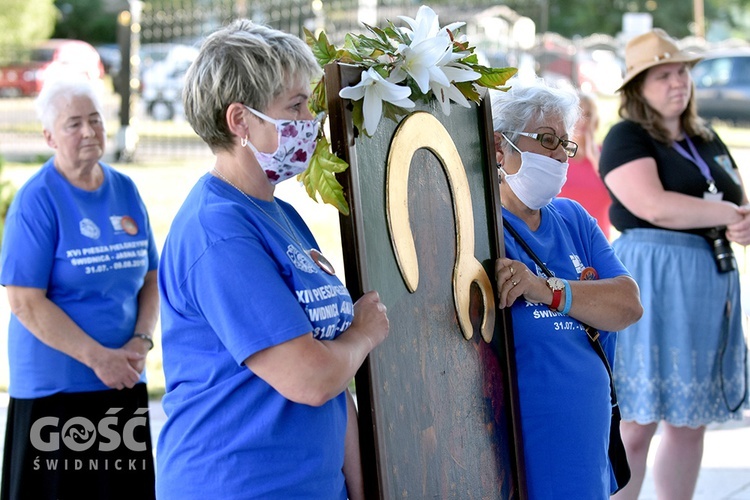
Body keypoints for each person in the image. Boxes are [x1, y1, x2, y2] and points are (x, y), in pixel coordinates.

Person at [156, 19, 390, 499]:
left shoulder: (280, 214)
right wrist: (364, 333)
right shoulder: (218, 230)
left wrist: (362, 485)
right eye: (296, 106)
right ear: (240, 121)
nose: (311, 121)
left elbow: (334, 372)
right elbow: (311, 377)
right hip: (241, 484)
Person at [599, 28, 750, 500]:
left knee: (690, 419)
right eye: (663, 75)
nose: (677, 82)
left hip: (707, 279)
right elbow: (653, 205)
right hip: (653, 277)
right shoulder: (626, 136)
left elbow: (737, 199)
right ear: (638, 88)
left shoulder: (707, 137)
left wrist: (740, 221)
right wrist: (729, 215)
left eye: (682, 71)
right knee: (637, 422)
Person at [0, 77, 159, 499]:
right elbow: (24, 302)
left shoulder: (125, 189)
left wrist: (141, 341)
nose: (89, 131)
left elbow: (151, 278)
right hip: (56, 393)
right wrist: (99, 359)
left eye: (95, 120)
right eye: (73, 124)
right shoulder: (37, 200)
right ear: (49, 136)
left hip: (121, 381)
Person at [491, 79, 643, 498]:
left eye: (565, 144)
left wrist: (547, 290)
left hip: (588, 443)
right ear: (499, 148)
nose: (560, 155)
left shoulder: (572, 218)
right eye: (546, 140)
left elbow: (628, 305)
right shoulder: (483, 231)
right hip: (527, 449)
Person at [558, 91, 612, 239]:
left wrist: (595, 157)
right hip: (562, 240)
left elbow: (619, 196)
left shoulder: (606, 155)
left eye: (588, 114)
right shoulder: (556, 155)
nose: (583, 120)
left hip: (599, 242)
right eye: (577, 114)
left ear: (595, 120)